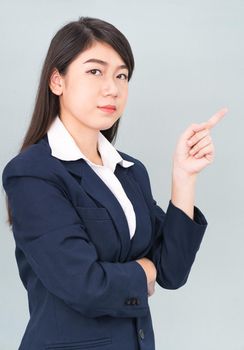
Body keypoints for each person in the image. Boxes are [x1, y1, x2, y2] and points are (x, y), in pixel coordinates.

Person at [1, 16, 227, 350]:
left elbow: (172, 271)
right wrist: (144, 270)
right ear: (57, 81)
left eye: (122, 75)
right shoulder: (32, 174)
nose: (113, 88)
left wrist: (184, 178)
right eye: (95, 71)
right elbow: (85, 286)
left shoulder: (129, 170)